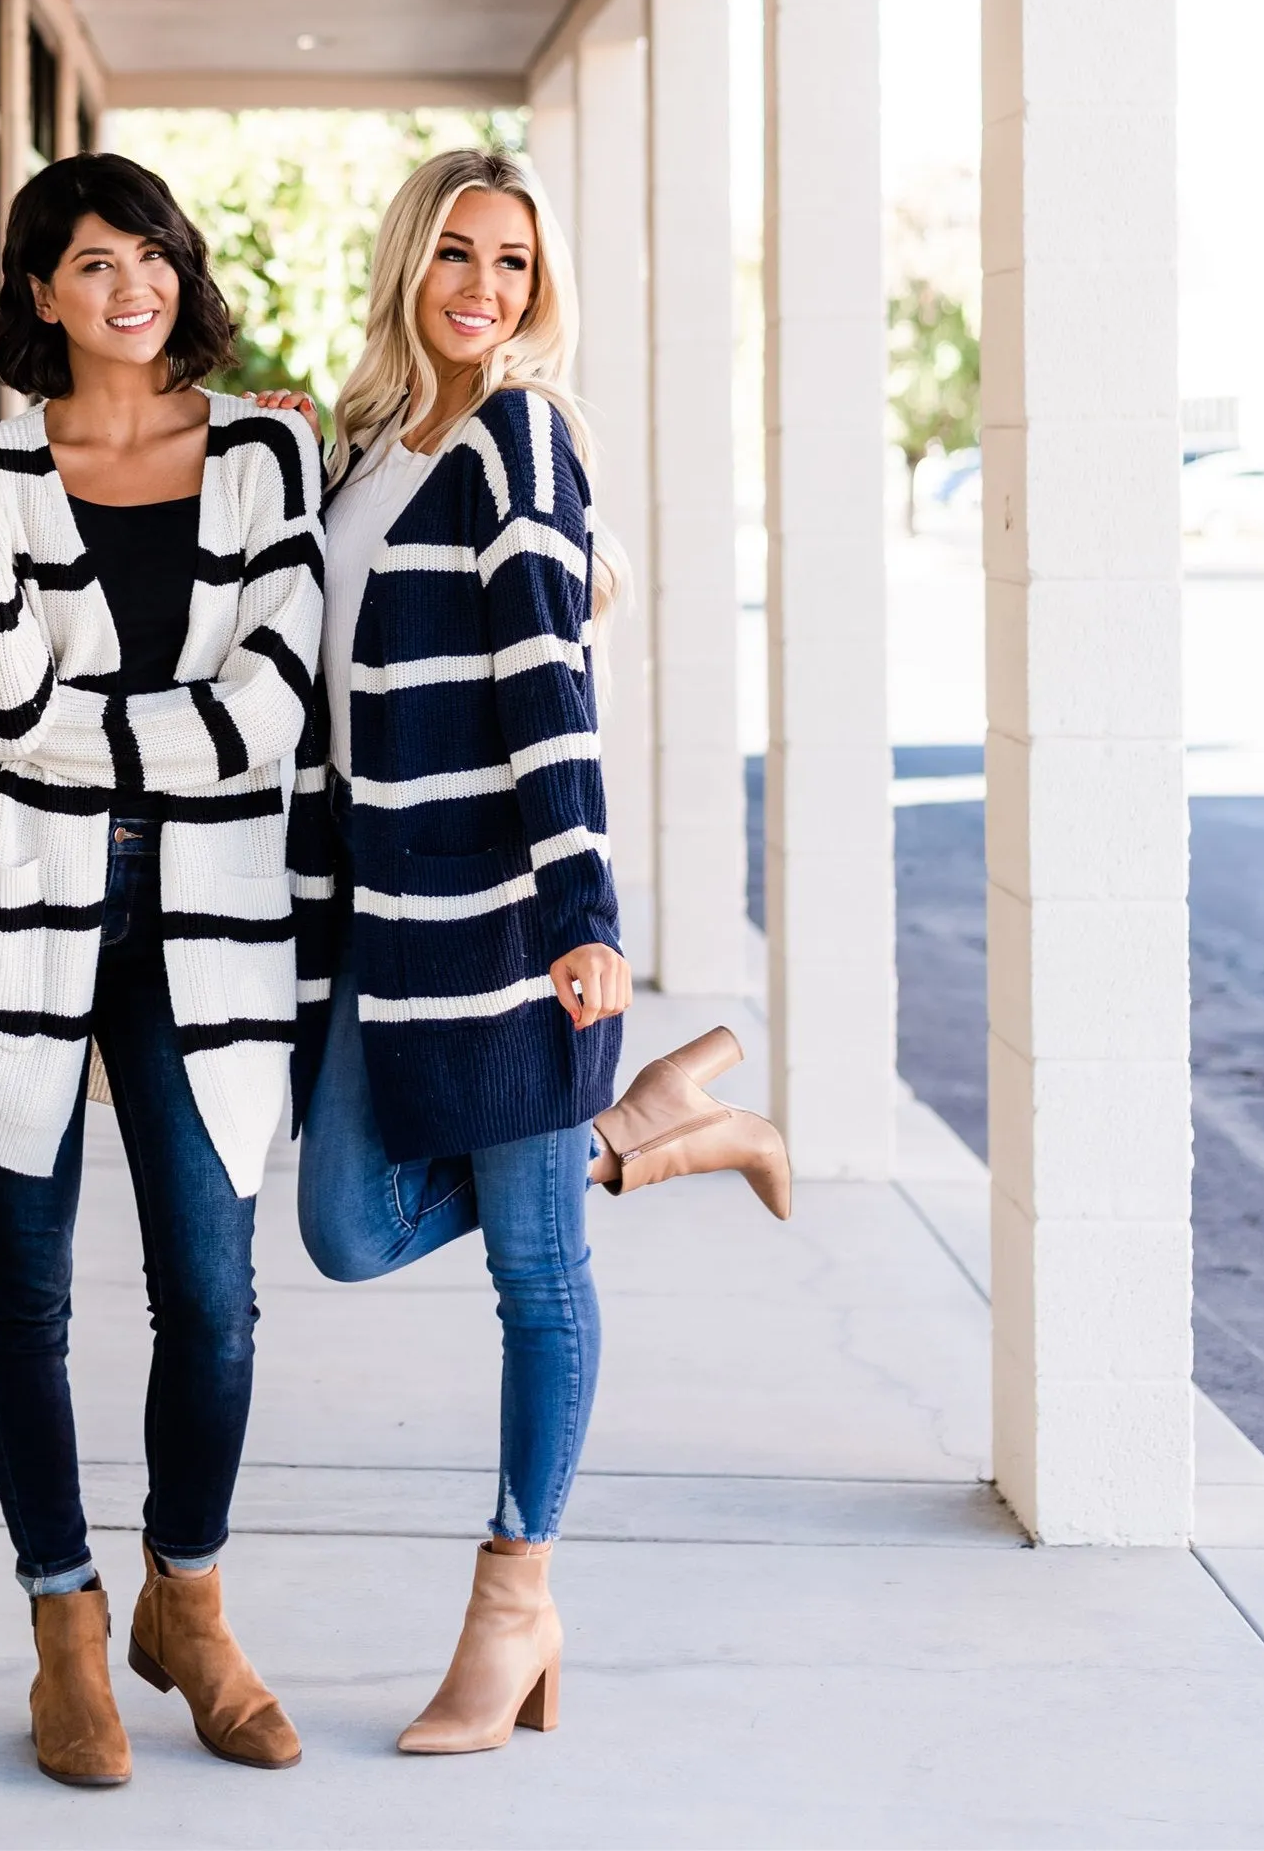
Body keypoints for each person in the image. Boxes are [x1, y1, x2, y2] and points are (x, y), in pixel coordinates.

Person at [255, 147, 790, 1760]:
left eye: (513, 263)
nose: (486, 288)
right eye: (457, 256)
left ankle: (513, 1603)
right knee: (347, 1228)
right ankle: (646, 1134)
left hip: (499, 926)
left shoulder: (521, 435)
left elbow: (549, 673)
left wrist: (584, 918)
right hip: (374, 915)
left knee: (534, 1279)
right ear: (409, 267)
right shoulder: (366, 450)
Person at [0, 152, 322, 1787]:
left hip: (205, 915)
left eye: (149, 255)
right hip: (20, 907)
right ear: (38, 292)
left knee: (210, 1299)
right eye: (90, 264)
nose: (128, 287)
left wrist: (77, 745)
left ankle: (190, 1606)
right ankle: (64, 1630)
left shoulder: (265, 455)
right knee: (24, 1289)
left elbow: (272, 707)